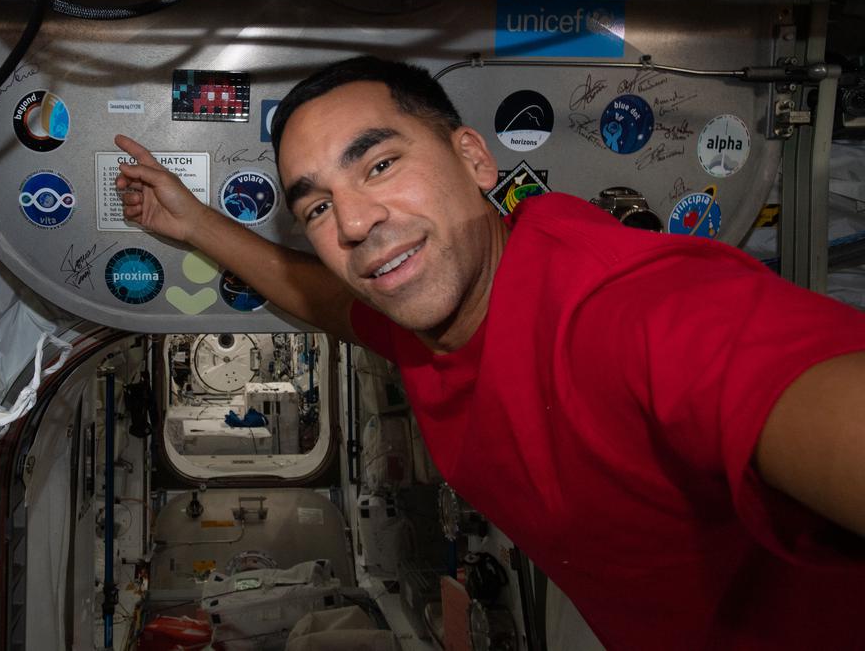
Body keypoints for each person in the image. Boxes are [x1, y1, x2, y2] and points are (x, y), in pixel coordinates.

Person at [113, 55, 865, 650]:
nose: (355, 221)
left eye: (378, 165)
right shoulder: (430, 317)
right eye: (316, 206)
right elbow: (333, 303)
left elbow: (787, 390)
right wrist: (194, 225)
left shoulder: (624, 311)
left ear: (473, 158)